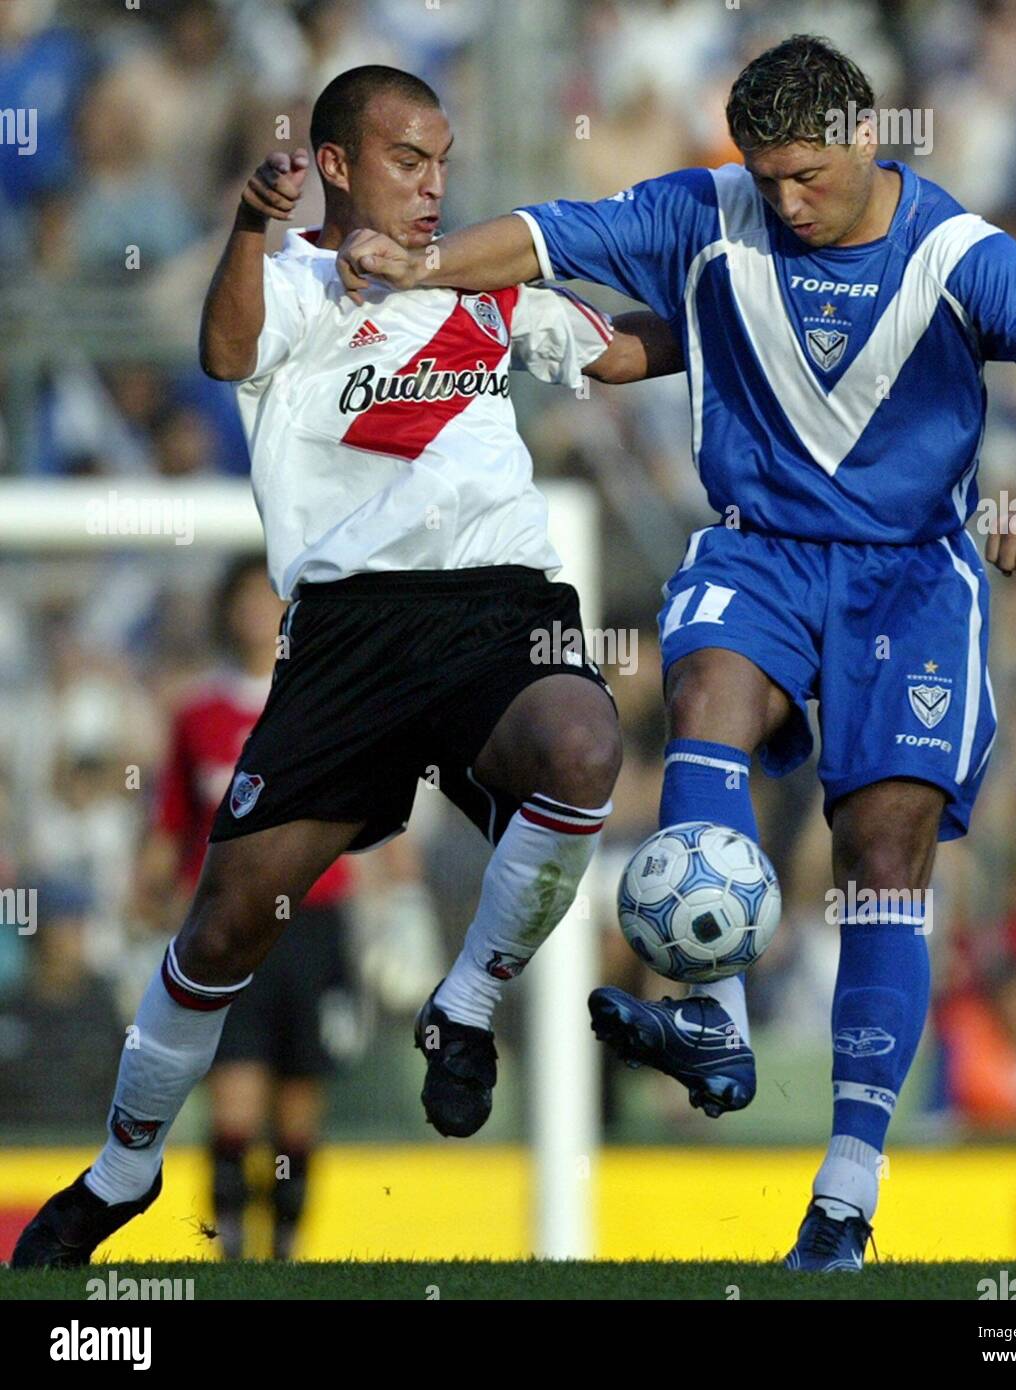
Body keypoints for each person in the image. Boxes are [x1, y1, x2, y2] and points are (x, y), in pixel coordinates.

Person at [334, 35, 1016, 1269]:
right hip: (761, 548)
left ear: (867, 139)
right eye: (765, 176)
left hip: (908, 579)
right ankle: (712, 1017)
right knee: (705, 695)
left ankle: (846, 1193)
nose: (783, 201)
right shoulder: (713, 211)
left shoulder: (955, 253)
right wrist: (423, 264)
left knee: (881, 853)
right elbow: (552, 235)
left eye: (804, 176)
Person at [14, 64, 680, 1268]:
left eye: (443, 162)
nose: (435, 187)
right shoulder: (291, 285)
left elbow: (624, 352)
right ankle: (121, 1174)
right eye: (407, 162)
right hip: (347, 635)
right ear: (335, 163)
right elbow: (223, 352)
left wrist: (741, 303)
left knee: (584, 747)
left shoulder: (479, 285)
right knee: (222, 930)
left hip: (499, 606)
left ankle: (466, 1006)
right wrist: (248, 227)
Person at [138, 554, 356, 1260]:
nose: (255, 616)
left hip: (314, 924)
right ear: (226, 612)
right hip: (229, 927)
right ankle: (229, 1252)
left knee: (298, 1111)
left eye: (268, 603)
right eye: (244, 602)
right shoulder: (197, 713)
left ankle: (285, 1253)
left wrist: (391, 901)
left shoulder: (323, 703)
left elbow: (364, 815)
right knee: (232, 1099)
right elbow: (171, 825)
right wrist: (146, 903)